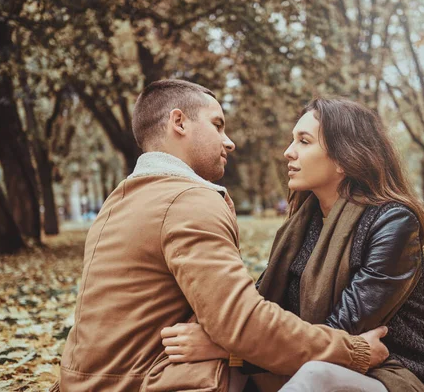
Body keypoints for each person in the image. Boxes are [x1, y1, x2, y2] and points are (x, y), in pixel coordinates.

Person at [55, 82, 390, 391]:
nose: (229, 141)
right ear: (179, 122)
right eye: (217, 125)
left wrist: (225, 346)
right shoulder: (187, 200)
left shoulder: (120, 201)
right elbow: (244, 324)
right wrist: (354, 351)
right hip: (151, 382)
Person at [161, 98, 424, 392]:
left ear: (345, 158)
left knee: (315, 375)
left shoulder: (393, 223)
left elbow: (340, 334)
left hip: (395, 371)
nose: (288, 152)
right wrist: (228, 345)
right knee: (218, 373)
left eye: (304, 142)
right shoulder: (302, 225)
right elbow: (264, 313)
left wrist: (229, 350)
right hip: (311, 361)